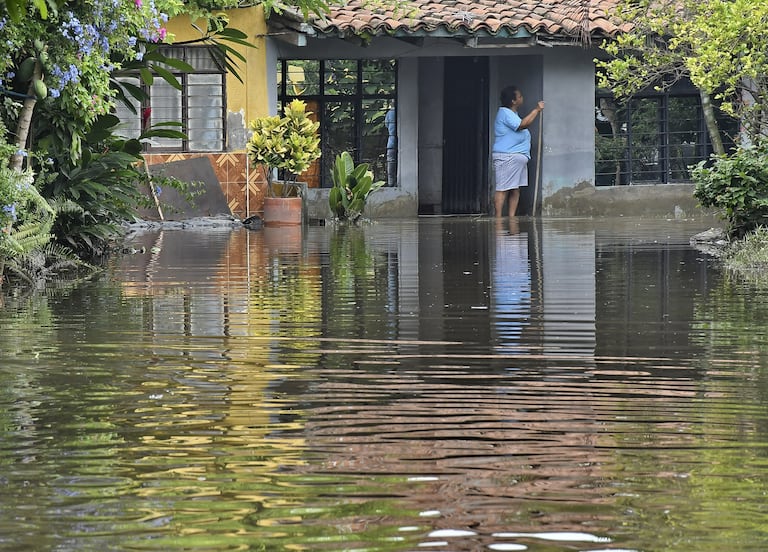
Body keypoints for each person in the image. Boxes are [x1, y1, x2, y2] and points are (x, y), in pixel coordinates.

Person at [492, 86, 544, 217]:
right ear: (513, 100)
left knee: (515, 189)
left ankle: (511, 217)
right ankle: (498, 218)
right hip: (507, 156)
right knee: (503, 189)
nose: (522, 98)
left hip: (517, 157)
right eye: (519, 96)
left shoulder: (512, 114)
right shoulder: (505, 113)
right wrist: (536, 110)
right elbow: (522, 125)